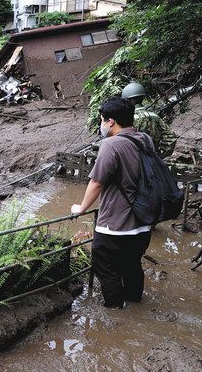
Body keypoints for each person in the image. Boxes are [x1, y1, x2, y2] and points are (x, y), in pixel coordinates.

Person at [71, 96, 154, 309]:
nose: (101, 125)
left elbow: (97, 182)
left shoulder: (110, 144)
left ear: (110, 121)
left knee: (106, 268)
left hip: (115, 226)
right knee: (132, 264)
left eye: (101, 120)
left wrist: (81, 208)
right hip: (143, 221)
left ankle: (115, 310)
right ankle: (134, 300)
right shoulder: (145, 139)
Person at [122, 82, 178, 158]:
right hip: (152, 158)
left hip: (133, 158)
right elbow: (171, 137)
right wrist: (160, 155)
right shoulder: (155, 116)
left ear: (128, 99)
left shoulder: (128, 118)